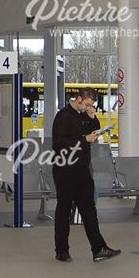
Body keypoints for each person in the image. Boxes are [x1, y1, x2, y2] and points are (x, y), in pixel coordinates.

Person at [51, 89, 120, 262]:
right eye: (87, 105)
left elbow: (94, 129)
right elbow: (59, 143)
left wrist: (91, 116)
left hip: (82, 170)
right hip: (65, 170)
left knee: (89, 210)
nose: (89, 108)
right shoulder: (64, 116)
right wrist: (84, 140)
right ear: (79, 99)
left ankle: (99, 249)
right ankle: (61, 250)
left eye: (92, 106)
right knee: (64, 210)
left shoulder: (83, 114)